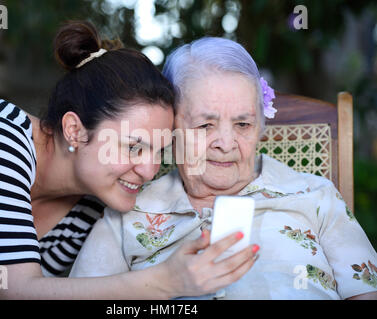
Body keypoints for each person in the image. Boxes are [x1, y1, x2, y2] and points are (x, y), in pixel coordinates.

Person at [0, 22, 253, 300]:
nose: (150, 170)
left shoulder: (89, 207)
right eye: (133, 147)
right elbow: (16, 287)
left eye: (159, 151)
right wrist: (164, 282)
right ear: (74, 130)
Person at [69, 37, 377, 300]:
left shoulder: (315, 196)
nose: (226, 143)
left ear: (260, 127)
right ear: (170, 127)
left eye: (243, 124)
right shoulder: (128, 214)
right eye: (206, 125)